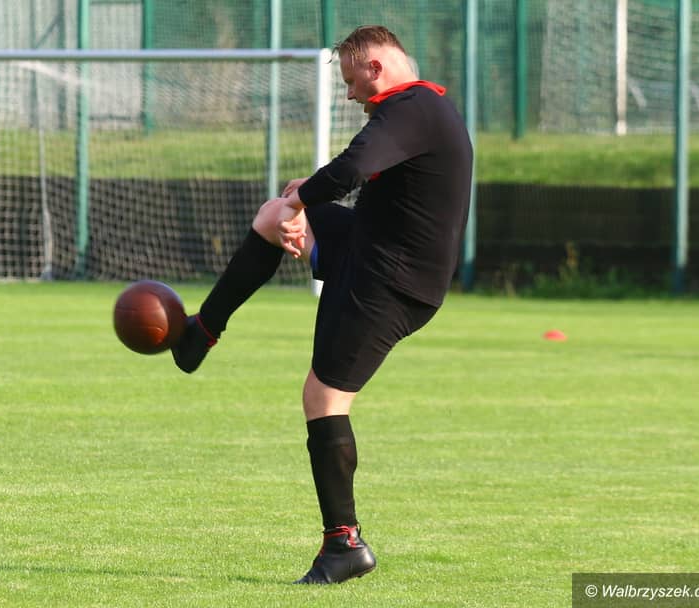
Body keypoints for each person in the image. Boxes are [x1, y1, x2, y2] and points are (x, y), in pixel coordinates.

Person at [171, 25, 473, 584]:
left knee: (323, 396)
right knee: (272, 216)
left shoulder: (411, 108)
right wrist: (299, 198)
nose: (351, 95)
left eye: (353, 82)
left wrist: (304, 200)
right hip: (371, 248)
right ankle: (201, 332)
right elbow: (360, 174)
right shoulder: (417, 108)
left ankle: (344, 546)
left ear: (377, 68)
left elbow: (353, 168)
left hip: (391, 281)